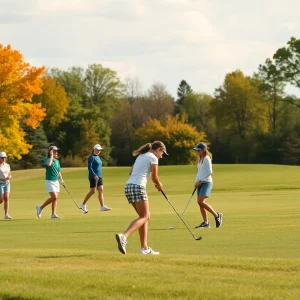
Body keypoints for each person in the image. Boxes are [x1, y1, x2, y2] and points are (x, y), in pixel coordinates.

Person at [115, 141, 168, 255]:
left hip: (129, 186)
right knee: (145, 216)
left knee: (144, 217)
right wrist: (159, 184)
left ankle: (144, 248)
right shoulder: (153, 158)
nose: (162, 155)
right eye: (162, 153)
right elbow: (154, 177)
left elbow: (130, 172)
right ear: (158, 149)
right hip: (138, 187)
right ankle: (124, 236)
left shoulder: (141, 156)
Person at [193, 142, 223, 229]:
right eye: (197, 150)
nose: (197, 152)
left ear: (203, 150)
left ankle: (217, 215)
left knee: (200, 201)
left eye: (198, 150)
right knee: (200, 203)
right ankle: (206, 223)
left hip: (207, 182)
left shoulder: (206, 158)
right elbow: (199, 172)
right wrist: (196, 182)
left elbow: (210, 172)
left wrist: (201, 181)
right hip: (200, 183)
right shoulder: (200, 159)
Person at [79, 144, 111, 213]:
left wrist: (98, 175)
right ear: (94, 149)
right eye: (98, 150)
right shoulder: (91, 157)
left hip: (99, 176)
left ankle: (102, 206)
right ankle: (83, 204)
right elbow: (89, 167)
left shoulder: (98, 157)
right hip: (93, 176)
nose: (99, 151)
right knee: (93, 191)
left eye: (100, 150)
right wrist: (94, 175)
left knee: (101, 189)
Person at [36, 146, 64, 219]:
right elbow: (49, 164)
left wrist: (61, 179)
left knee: (55, 198)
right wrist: (51, 156)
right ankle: (41, 207)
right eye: (55, 151)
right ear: (50, 152)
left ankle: (53, 214)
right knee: (54, 197)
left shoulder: (57, 161)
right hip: (49, 181)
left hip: (56, 181)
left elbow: (58, 171)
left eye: (56, 151)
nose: (56, 153)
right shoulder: (46, 159)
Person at [0, 152, 12, 220]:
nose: (3, 159)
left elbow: (9, 173)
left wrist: (9, 176)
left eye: (4, 157)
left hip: (7, 183)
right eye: (2, 158)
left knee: (6, 198)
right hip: (0, 183)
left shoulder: (7, 165)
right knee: (1, 200)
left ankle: (6, 214)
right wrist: (3, 179)